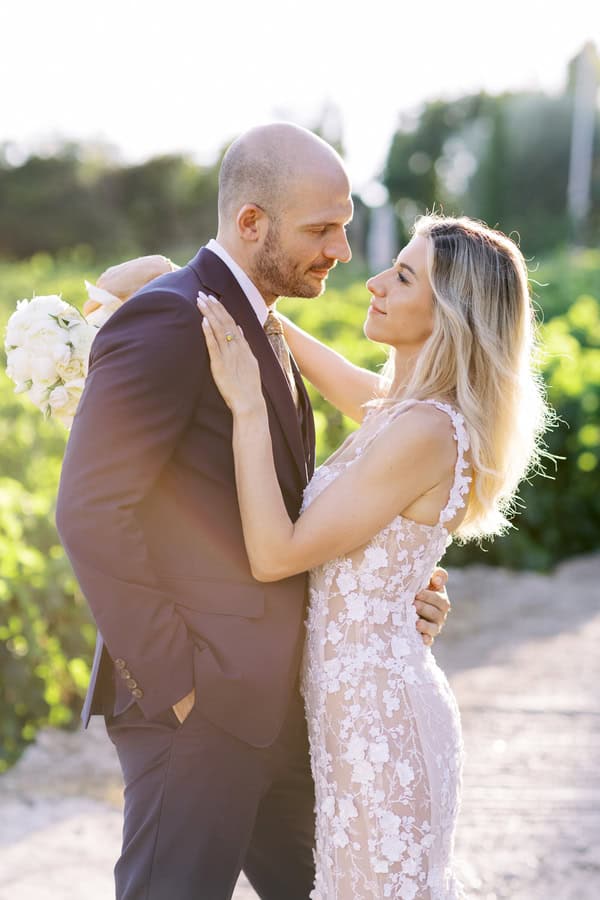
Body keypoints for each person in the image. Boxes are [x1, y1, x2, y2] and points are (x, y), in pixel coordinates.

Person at [55, 123, 451, 900]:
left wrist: (391, 580)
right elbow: (90, 508)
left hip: (280, 704)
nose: (342, 249)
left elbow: (291, 505)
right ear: (250, 223)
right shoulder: (170, 319)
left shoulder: (258, 324)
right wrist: (179, 686)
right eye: (322, 228)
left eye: (343, 225)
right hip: (199, 709)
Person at [197, 213, 551, 899]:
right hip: (355, 719)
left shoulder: (423, 429)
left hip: (380, 730)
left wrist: (246, 408)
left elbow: (276, 554)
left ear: (448, 313)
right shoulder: (401, 410)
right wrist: (237, 297)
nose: (373, 282)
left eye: (404, 275)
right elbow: (311, 358)